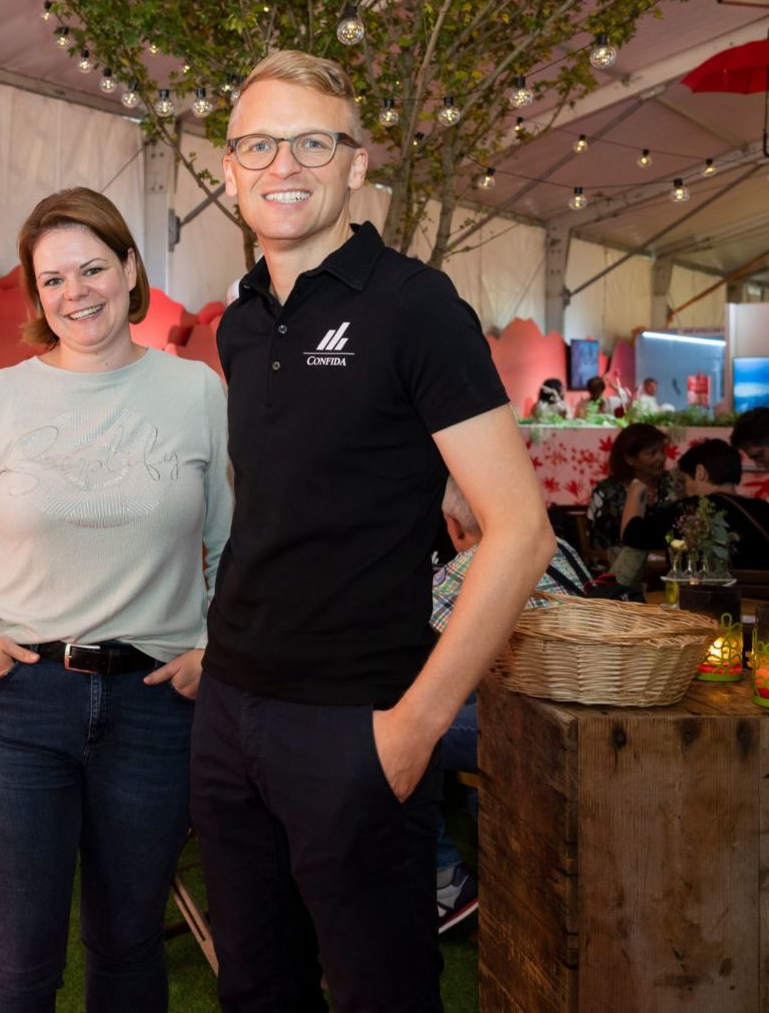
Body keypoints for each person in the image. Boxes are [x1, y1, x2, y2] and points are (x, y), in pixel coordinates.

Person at [192, 50, 554, 1012]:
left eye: (312, 143)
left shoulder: (414, 306)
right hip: (229, 709)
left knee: (378, 993)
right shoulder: (241, 321)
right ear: (229, 170)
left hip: (358, 719)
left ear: (356, 164)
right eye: (258, 145)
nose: (283, 165)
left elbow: (521, 532)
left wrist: (416, 726)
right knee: (255, 987)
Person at [0, 186, 232, 1012]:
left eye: (91, 269)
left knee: (129, 950)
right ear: (36, 294)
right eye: (52, 279)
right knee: (19, 966)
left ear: (129, 268)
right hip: (18, 706)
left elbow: (238, 545)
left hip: (157, 709)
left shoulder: (197, 393)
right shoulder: (0, 399)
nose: (75, 293)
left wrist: (218, 648)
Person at [428, 479, 593, 934]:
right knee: (472, 693)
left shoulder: (476, 561)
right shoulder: (555, 544)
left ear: (453, 525)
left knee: (399, 733)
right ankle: (498, 866)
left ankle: (447, 882)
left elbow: (414, 636)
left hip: (535, 720)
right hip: (580, 704)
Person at [621, 438, 769, 570]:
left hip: (711, 592)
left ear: (700, 472)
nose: (686, 487)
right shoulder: (763, 508)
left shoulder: (690, 509)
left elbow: (631, 536)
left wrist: (635, 491)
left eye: (685, 480)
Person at [586, 422, 683, 584]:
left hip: (669, 569)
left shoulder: (673, 485)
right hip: (619, 570)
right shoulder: (607, 491)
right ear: (629, 458)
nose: (661, 458)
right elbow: (599, 545)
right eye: (652, 453)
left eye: (662, 451)